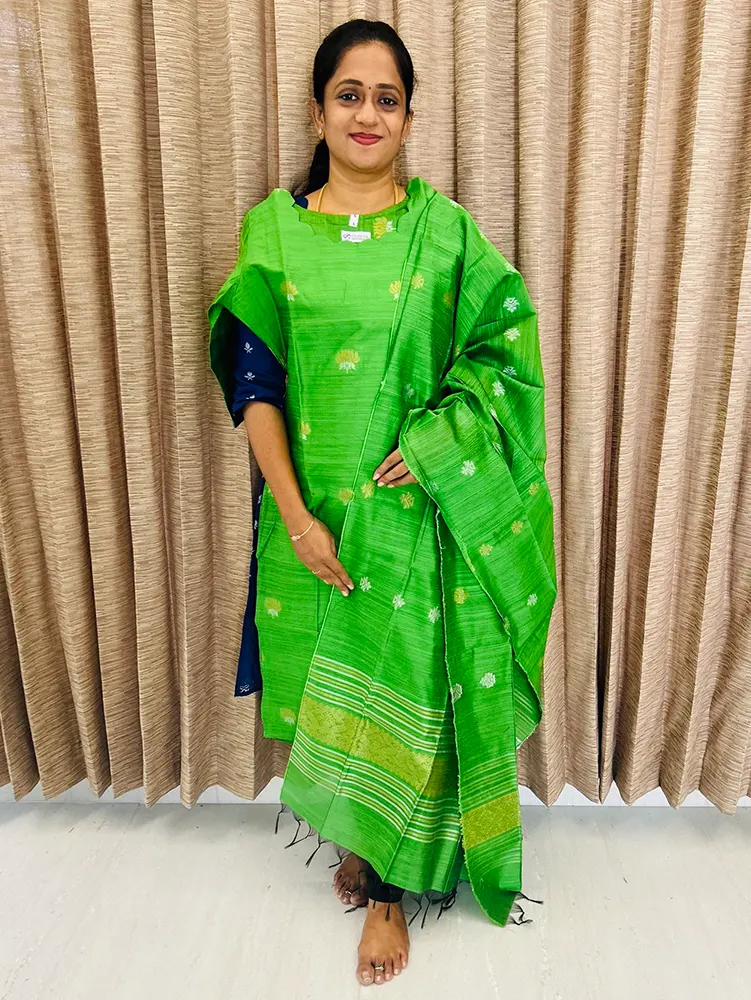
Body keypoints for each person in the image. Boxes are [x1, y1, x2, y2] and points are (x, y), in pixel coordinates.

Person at [208, 18, 556, 987]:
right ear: (317, 110)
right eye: (349, 95)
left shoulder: (445, 235)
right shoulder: (273, 233)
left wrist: (442, 438)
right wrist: (294, 516)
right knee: (337, 681)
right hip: (315, 514)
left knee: (410, 685)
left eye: (386, 98)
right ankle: (364, 841)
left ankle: (391, 891)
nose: (367, 114)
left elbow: (505, 359)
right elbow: (254, 386)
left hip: (419, 522)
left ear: (408, 117)